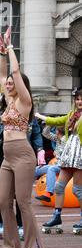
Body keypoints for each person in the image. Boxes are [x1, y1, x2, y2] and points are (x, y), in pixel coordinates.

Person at [0, 27, 44, 248]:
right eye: (9, 84)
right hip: (7, 156)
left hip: (24, 154)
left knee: (23, 202)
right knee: (4, 201)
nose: (9, 84)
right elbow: (3, 74)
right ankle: (11, 247)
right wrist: (1, 53)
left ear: (22, 85)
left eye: (14, 83)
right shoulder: (8, 99)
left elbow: (13, 71)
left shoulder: (25, 101)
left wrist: (11, 47)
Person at [0, 96, 45, 239]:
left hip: (23, 153)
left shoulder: (27, 112)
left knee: (20, 193)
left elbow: (36, 133)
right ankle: (4, 222)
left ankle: (21, 224)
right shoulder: (2, 114)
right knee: (5, 193)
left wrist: (40, 150)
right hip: (4, 153)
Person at [35, 87, 82, 235]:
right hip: (68, 155)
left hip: (80, 155)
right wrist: (38, 115)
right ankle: (56, 217)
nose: (80, 101)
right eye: (78, 99)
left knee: (77, 190)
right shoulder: (71, 115)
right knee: (58, 187)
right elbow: (56, 120)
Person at [34, 126, 65, 203]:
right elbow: (45, 133)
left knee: (51, 169)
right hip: (57, 164)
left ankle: (48, 193)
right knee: (35, 170)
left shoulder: (67, 140)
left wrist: (57, 155)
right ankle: (22, 191)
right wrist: (49, 124)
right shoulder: (57, 138)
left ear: (57, 131)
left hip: (65, 166)